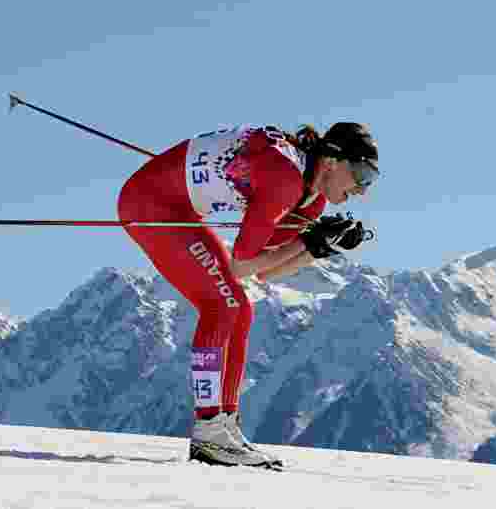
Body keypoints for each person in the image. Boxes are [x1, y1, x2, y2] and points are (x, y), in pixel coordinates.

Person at [117, 122, 379, 468]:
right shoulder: (286, 179)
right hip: (149, 204)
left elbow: (268, 269)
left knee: (239, 309)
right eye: (361, 173)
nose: (362, 189)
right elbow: (242, 265)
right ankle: (210, 429)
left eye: (370, 179)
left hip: (180, 208)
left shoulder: (310, 201)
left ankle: (223, 427)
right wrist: (306, 243)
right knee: (222, 306)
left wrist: (319, 248)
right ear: (331, 160)